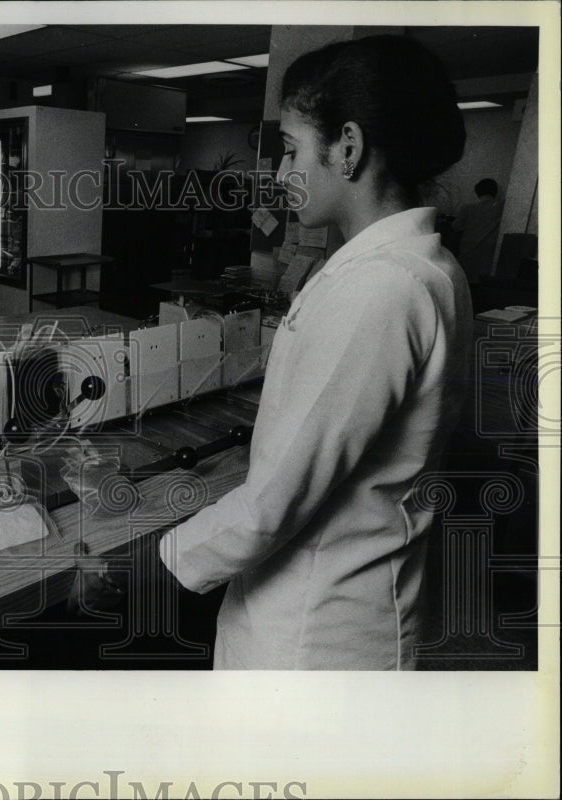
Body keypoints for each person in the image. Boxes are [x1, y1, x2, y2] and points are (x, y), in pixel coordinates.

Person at [72, 35, 473, 670]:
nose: (281, 174)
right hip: (331, 609)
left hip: (315, 637)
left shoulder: (381, 287)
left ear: (347, 146)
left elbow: (273, 503)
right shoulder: (418, 266)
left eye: (290, 151)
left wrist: (136, 570)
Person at [452, 178, 505, 283]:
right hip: (489, 254)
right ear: (495, 192)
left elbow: (456, 227)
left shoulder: (467, 208)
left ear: (477, 192)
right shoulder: (501, 207)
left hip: (468, 251)